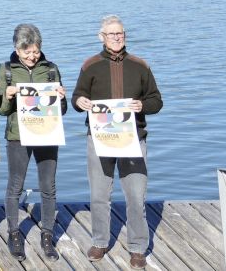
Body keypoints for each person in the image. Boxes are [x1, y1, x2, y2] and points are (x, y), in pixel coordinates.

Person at [72, 15, 162, 270]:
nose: (116, 38)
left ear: (125, 36)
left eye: (120, 33)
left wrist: (142, 105)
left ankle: (137, 247)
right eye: (111, 34)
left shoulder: (140, 66)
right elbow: (78, 96)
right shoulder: (90, 65)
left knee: (136, 195)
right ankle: (100, 242)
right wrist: (80, 102)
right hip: (100, 138)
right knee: (100, 193)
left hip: (133, 138)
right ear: (101, 37)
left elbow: (157, 100)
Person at [0, 23, 66, 262]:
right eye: (27, 51)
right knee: (15, 185)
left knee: (49, 185)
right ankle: (14, 233)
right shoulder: (5, 70)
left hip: (47, 133)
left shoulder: (51, 69)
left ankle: (47, 234)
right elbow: (2, 111)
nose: (32, 56)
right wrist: (6, 96)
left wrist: (61, 99)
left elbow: (61, 111)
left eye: (35, 51)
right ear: (17, 49)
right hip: (18, 135)